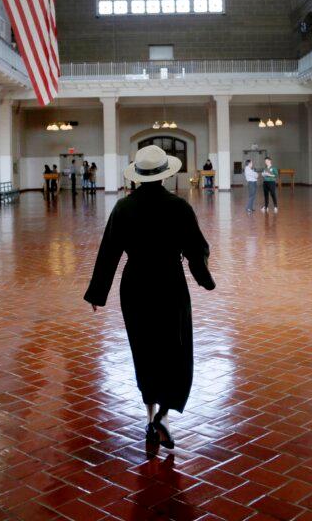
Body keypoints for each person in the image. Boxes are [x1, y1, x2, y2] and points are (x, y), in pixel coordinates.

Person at [84, 144, 215, 450]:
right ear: (165, 175)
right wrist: (204, 279)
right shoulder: (179, 207)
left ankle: (150, 416)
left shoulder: (124, 208)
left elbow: (109, 252)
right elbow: (197, 249)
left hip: (136, 286)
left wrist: (97, 292)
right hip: (170, 283)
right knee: (175, 348)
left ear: (138, 176)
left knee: (144, 350)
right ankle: (165, 418)